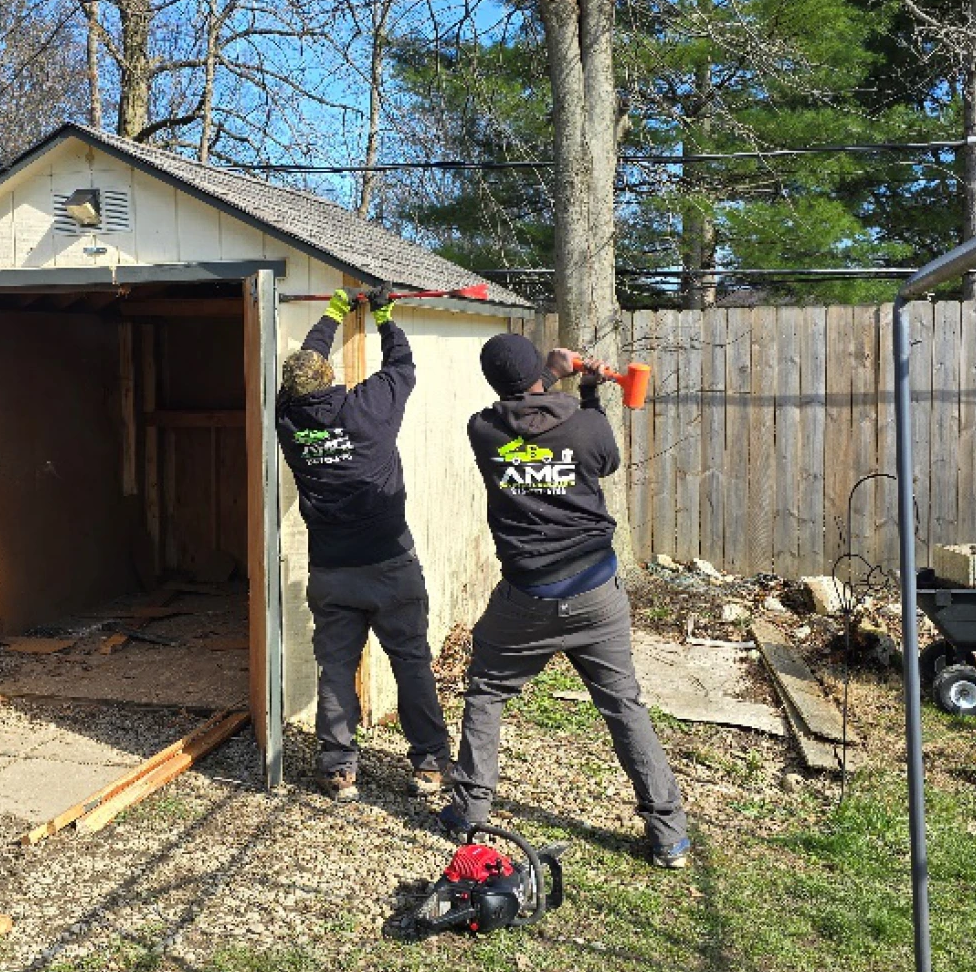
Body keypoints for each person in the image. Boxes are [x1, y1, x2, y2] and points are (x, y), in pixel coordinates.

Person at [440, 331, 692, 868]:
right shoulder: (586, 423)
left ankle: (469, 813)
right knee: (623, 706)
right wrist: (590, 390)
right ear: (540, 369)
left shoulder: (483, 431)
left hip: (527, 597)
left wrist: (554, 377)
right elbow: (604, 462)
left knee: (487, 692)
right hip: (595, 593)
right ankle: (668, 834)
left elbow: (521, 408)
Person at [275, 287, 452, 802]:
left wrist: (331, 314)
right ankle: (429, 766)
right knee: (411, 664)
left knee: (334, 668)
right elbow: (402, 366)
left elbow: (306, 365)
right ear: (332, 379)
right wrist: (384, 317)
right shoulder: (367, 410)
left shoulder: (289, 419)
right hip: (390, 564)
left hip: (332, 571)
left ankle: (338, 769)